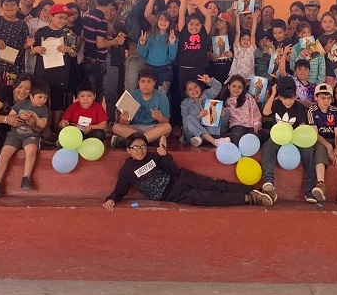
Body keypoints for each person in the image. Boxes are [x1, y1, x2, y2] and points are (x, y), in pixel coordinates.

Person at [103, 133, 273, 209]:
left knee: (214, 184)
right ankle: (250, 199)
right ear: (129, 151)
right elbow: (120, 190)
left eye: (142, 146)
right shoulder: (127, 170)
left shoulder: (154, 156)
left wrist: (165, 156)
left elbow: (173, 171)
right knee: (207, 198)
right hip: (171, 194)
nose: (139, 151)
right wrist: (111, 199)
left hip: (180, 178)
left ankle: (253, 190)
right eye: (135, 148)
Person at [0, 80, 50, 198]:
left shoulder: (44, 109)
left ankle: (26, 177)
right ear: (31, 96)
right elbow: (10, 117)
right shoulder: (21, 104)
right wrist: (20, 116)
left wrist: (35, 117)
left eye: (45, 98)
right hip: (15, 134)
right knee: (4, 154)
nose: (43, 100)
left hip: (31, 135)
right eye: (40, 97)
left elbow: (42, 125)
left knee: (31, 150)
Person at [259, 76, 317, 203]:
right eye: (285, 98)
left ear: (295, 96)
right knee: (268, 146)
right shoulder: (276, 104)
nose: (288, 101)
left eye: (291, 98)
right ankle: (268, 181)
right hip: (278, 138)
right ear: (280, 97)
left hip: (295, 139)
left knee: (309, 151)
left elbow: (302, 127)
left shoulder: (299, 107)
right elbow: (266, 112)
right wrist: (273, 93)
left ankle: (309, 189)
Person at [32, 3, 78, 135]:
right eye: (60, 18)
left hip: (61, 73)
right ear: (51, 17)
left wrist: (68, 49)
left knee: (58, 100)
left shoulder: (69, 33)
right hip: (43, 72)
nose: (63, 21)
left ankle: (56, 129)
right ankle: (42, 128)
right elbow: (32, 51)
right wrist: (36, 49)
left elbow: (74, 53)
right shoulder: (41, 32)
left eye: (65, 18)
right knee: (42, 99)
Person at [307, 83, 337, 205]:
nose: (326, 101)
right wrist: (329, 146)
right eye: (323, 98)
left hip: (335, 139)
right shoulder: (312, 111)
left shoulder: (335, 110)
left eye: (328, 98)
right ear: (316, 98)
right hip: (321, 139)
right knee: (319, 150)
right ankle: (321, 185)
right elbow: (315, 134)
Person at [0, 0, 33, 91]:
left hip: (15, 68)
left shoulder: (22, 25)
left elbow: (24, 45)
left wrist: (29, 44)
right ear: (1, 7)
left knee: (11, 94)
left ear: (18, 7)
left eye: (13, 4)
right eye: (6, 4)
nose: (10, 7)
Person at [81, 0, 125, 102]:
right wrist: (116, 41)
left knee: (87, 93)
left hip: (86, 58)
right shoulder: (102, 20)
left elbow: (87, 36)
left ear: (96, 1)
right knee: (97, 94)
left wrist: (108, 39)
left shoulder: (88, 16)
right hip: (97, 61)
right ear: (110, 4)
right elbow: (100, 44)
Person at [112, 67, 173, 145]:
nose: (145, 85)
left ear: (154, 83)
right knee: (116, 127)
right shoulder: (131, 96)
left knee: (167, 127)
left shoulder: (162, 97)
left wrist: (160, 118)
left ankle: (133, 142)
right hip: (134, 128)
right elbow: (124, 123)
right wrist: (123, 120)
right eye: (143, 81)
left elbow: (166, 121)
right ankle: (148, 141)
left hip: (152, 128)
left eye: (149, 82)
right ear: (138, 82)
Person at [180, 74, 230, 147]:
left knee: (218, 108)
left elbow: (218, 87)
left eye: (195, 87)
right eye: (190, 89)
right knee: (188, 118)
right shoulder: (184, 104)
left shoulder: (206, 94)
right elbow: (186, 123)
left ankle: (204, 138)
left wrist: (210, 81)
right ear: (186, 93)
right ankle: (213, 141)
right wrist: (199, 117)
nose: (194, 91)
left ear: (200, 87)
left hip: (211, 130)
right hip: (193, 134)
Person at [137, 11, 178, 94]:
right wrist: (142, 44)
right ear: (156, 21)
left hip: (166, 70)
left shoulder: (172, 37)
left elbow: (172, 57)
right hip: (149, 68)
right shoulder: (149, 36)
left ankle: (162, 107)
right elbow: (142, 55)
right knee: (148, 92)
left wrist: (172, 43)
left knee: (163, 93)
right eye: (161, 19)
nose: (163, 22)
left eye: (166, 20)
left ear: (170, 23)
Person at [227, 9, 259, 80]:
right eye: (243, 39)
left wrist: (254, 19)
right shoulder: (237, 48)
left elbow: (253, 34)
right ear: (240, 41)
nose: (246, 41)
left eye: (248, 40)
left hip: (249, 78)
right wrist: (237, 17)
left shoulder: (251, 48)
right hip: (236, 77)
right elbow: (238, 32)